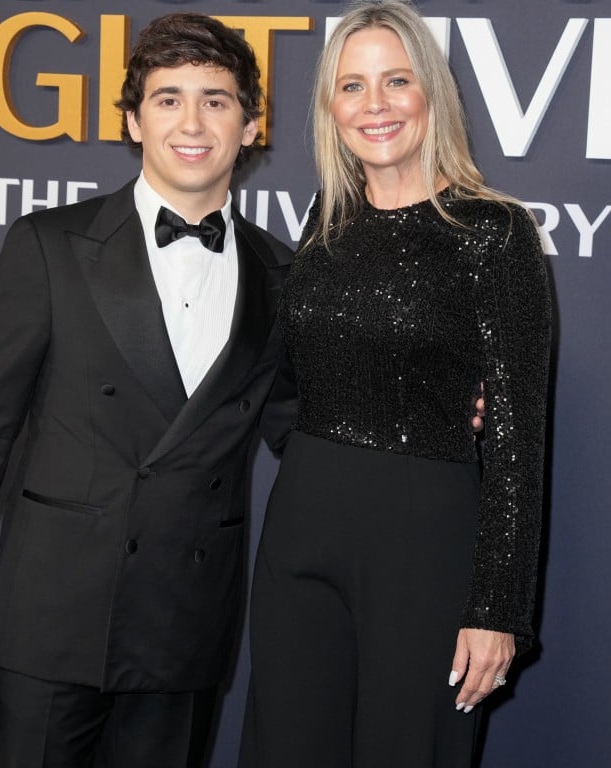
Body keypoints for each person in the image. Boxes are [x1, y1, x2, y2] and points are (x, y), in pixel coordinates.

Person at [0, 13, 296, 768]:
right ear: (132, 121)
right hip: (54, 617)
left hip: (185, 627)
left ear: (250, 126)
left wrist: (434, 410)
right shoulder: (50, 246)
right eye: (168, 98)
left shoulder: (281, 275)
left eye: (216, 100)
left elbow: (307, 430)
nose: (192, 122)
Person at [239, 2, 552, 766]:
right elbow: (294, 375)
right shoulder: (326, 222)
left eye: (395, 81)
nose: (373, 105)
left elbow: (518, 443)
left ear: (431, 95)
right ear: (330, 107)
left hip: (425, 543)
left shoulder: (494, 231)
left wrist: (497, 609)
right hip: (302, 529)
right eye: (351, 86)